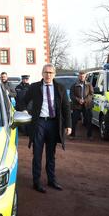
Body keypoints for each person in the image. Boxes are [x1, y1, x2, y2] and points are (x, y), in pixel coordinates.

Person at [22, 64, 72, 193]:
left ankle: (52, 180)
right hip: (39, 123)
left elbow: (66, 107)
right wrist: (24, 111)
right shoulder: (34, 87)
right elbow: (23, 101)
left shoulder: (60, 88)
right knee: (37, 153)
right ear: (42, 74)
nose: (48, 75)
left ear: (54, 74)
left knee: (51, 154)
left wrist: (68, 125)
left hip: (53, 124)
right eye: (46, 72)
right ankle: (36, 182)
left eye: (50, 72)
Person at [70, 70, 94, 140]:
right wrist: (78, 100)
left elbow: (91, 94)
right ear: (78, 76)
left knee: (89, 121)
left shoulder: (89, 84)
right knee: (74, 121)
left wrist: (85, 100)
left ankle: (90, 135)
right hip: (77, 105)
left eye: (83, 76)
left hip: (87, 105)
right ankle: (72, 135)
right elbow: (71, 95)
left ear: (85, 76)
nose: (82, 77)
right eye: (80, 76)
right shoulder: (74, 85)